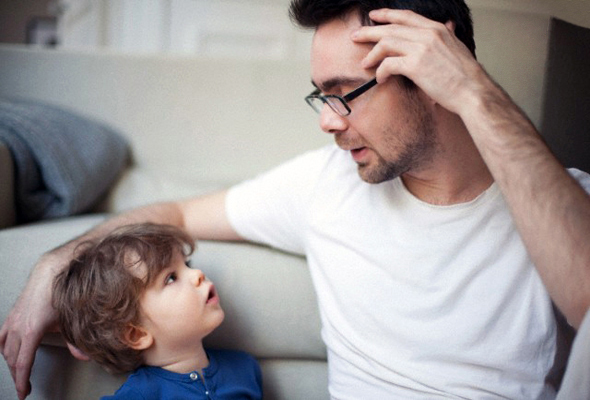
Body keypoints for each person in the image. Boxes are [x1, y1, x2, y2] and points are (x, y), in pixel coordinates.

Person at [2, 0, 590, 398]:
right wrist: (56, 263)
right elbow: (176, 215)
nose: (329, 124)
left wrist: (473, 91)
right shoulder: (324, 185)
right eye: (321, 97)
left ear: (435, 72)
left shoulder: (562, 201)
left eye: (345, 94)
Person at [52, 223, 262, 400]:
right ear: (137, 334)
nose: (197, 273)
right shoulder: (139, 395)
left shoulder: (244, 367)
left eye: (187, 264)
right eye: (171, 278)